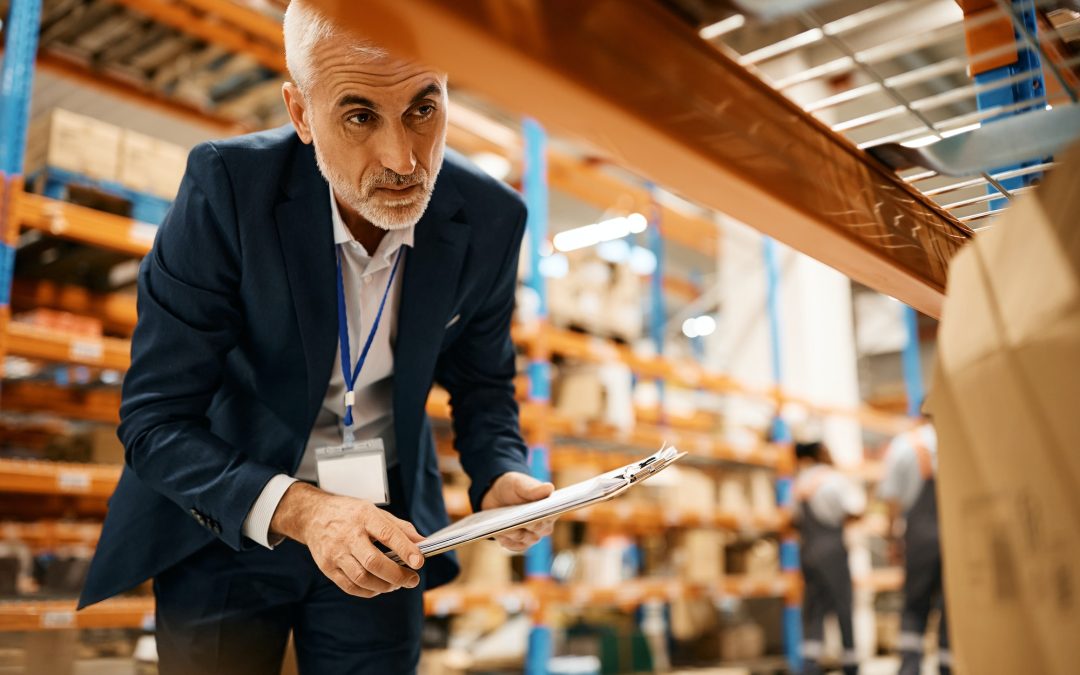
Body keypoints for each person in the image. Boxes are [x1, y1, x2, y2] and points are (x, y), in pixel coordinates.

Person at [76, 3, 555, 673]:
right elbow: (155, 420)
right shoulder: (227, 191)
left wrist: (500, 470)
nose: (402, 159)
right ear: (300, 113)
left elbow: (483, 382)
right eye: (359, 116)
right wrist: (304, 511)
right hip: (230, 522)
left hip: (381, 534)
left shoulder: (489, 217)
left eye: (424, 108)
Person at [879, 419, 951, 675]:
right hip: (953, 534)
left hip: (918, 536)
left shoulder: (903, 446)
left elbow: (891, 498)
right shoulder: (954, 440)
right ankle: (948, 666)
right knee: (950, 605)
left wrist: (892, 539)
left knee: (914, 604)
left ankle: (909, 669)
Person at [793, 440, 865, 675]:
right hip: (832, 548)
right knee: (843, 606)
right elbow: (855, 510)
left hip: (808, 551)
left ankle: (810, 666)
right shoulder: (834, 480)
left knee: (813, 609)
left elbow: (792, 520)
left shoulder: (799, 483)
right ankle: (851, 664)